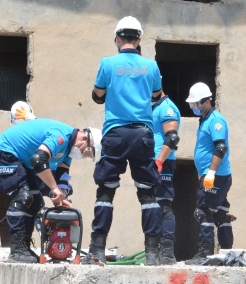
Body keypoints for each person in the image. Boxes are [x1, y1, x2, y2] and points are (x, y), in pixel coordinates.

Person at [85, 16, 164, 265]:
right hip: (143, 135)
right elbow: (157, 95)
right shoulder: (151, 66)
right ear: (139, 39)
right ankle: (152, 253)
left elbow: (97, 95)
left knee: (105, 193)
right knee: (148, 195)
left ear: (117, 38)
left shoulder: (107, 63)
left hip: (115, 134)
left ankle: (97, 250)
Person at [0, 118, 101, 263]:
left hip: (24, 161)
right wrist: (54, 189)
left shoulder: (68, 151)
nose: (83, 156)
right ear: (84, 138)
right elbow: (38, 159)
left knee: (36, 201)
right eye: (87, 152)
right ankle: (16, 251)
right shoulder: (60, 136)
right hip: (7, 151)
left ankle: (24, 247)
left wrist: (62, 197)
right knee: (22, 197)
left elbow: (62, 175)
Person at [185, 82, 233, 265]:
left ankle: (205, 254)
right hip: (214, 175)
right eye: (192, 105)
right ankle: (228, 253)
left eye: (197, 104)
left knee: (204, 211)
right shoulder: (205, 120)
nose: (194, 108)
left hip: (215, 176)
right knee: (220, 212)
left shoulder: (216, 120)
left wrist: (211, 173)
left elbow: (220, 147)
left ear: (207, 101)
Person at [152, 92, 181, 264]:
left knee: (163, 206)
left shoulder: (167, 108)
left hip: (161, 162)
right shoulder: (155, 107)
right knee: (152, 207)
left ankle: (168, 253)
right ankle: (153, 251)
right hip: (151, 162)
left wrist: (159, 161)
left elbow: (172, 137)